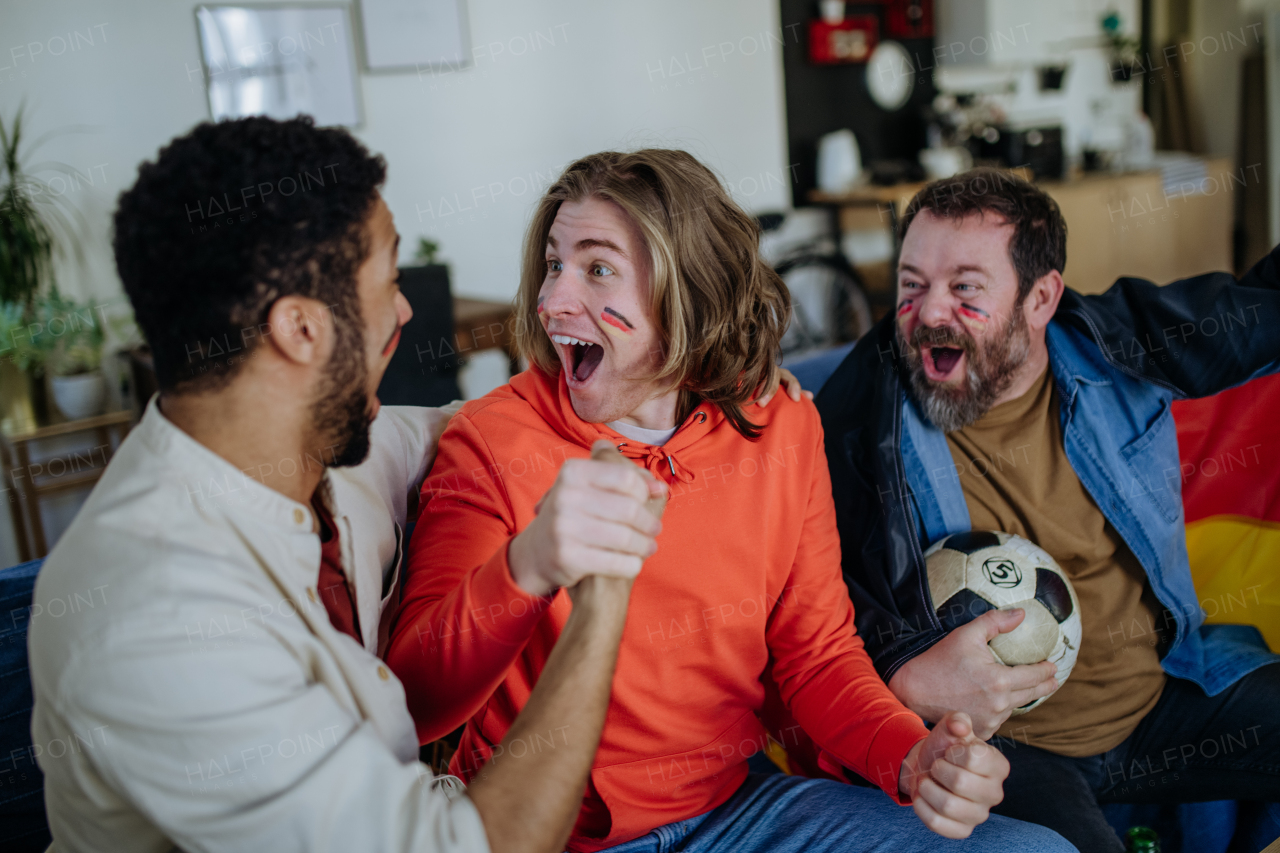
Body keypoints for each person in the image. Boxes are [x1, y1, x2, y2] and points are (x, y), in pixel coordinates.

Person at [386, 150, 1075, 853]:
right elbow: (414, 702)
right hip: (558, 832)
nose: (552, 301)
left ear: (689, 288)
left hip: (742, 811)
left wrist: (912, 757)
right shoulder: (493, 440)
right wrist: (528, 564)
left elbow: (816, 657)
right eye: (554, 265)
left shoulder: (781, 424)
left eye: (596, 269)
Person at [28, 116, 658, 853]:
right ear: (300, 329)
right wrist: (603, 601)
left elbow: (476, 424)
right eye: (389, 279)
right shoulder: (156, 618)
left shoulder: (314, 450)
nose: (405, 308)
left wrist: (700, 385)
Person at [815, 168, 1280, 852]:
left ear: (1042, 299)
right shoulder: (856, 422)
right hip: (1009, 753)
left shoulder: (1122, 343)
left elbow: (1262, 306)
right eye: (911, 285)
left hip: (1166, 696)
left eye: (965, 287)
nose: (929, 313)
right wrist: (903, 676)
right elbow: (808, 614)